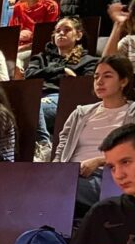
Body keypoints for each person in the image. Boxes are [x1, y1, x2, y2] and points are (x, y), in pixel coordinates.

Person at [54, 55, 135, 214]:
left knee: (56, 188)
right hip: (70, 174)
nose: (99, 81)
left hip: (108, 178)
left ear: (123, 81)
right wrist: (52, 172)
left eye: (107, 76)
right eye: (96, 77)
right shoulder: (81, 113)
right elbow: (61, 149)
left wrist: (99, 161)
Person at [25, 17, 99, 161]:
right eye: (58, 30)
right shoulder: (40, 58)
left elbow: (83, 86)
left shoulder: (90, 61)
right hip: (37, 95)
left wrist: (47, 73)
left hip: (62, 98)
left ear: (78, 35)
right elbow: (29, 75)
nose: (61, 33)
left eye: (67, 30)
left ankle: (44, 145)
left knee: (34, 106)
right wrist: (62, 71)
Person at [9, 0, 60, 68]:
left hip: (37, 51)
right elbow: (11, 35)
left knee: (16, 62)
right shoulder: (17, 7)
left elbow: (46, 39)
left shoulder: (50, 6)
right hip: (18, 49)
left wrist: (26, 43)